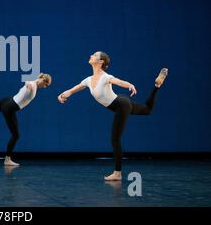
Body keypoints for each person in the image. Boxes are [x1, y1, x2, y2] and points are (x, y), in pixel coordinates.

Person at [58, 51, 168, 181]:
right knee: (147, 110)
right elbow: (73, 90)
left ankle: (117, 173)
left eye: (94, 55)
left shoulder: (105, 77)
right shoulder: (88, 80)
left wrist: (130, 85)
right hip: (121, 101)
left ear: (100, 62)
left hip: (121, 105)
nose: (91, 56)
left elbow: (118, 81)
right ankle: (157, 85)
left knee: (114, 140)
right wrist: (63, 95)